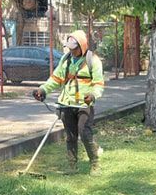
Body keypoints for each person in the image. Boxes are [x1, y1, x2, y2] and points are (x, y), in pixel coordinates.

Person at [33, 30, 105, 172]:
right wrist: (43, 90)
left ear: (83, 46)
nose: (72, 51)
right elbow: (56, 79)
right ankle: (72, 167)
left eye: (75, 48)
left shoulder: (93, 61)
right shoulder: (66, 60)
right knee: (71, 137)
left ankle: (95, 164)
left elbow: (98, 84)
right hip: (66, 103)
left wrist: (92, 95)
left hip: (85, 104)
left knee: (84, 133)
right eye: (70, 48)